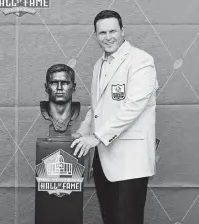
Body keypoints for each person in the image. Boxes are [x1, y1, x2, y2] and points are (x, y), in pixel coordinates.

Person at [70, 10, 159, 224]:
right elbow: (97, 107)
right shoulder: (98, 65)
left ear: (122, 31)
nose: (108, 37)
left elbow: (133, 107)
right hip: (103, 160)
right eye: (102, 33)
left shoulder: (141, 60)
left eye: (112, 31)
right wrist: (83, 130)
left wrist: (97, 137)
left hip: (130, 161)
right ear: (95, 36)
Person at [40, 64, 80, 135]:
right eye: (54, 83)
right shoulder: (44, 111)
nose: (59, 88)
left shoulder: (76, 111)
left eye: (64, 83)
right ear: (46, 87)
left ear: (73, 87)